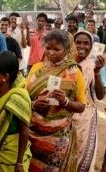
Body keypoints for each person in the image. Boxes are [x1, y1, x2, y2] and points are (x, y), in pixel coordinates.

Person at [26, 29, 86, 171]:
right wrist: (34, 104)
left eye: (56, 49)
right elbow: (25, 97)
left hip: (58, 138)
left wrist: (65, 101)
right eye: (48, 48)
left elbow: (81, 106)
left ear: (66, 50)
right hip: (32, 133)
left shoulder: (74, 72)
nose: (51, 52)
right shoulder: (36, 69)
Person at [0, 51, 32, 171]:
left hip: (12, 156)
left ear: (5, 77)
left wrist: (19, 163)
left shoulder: (19, 96)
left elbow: (24, 130)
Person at [73, 30, 105, 171]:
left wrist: (97, 72)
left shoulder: (94, 65)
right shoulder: (65, 63)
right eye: (78, 42)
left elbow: (99, 95)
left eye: (86, 43)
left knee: (83, 159)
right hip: (66, 116)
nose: (82, 46)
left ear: (92, 46)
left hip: (85, 118)